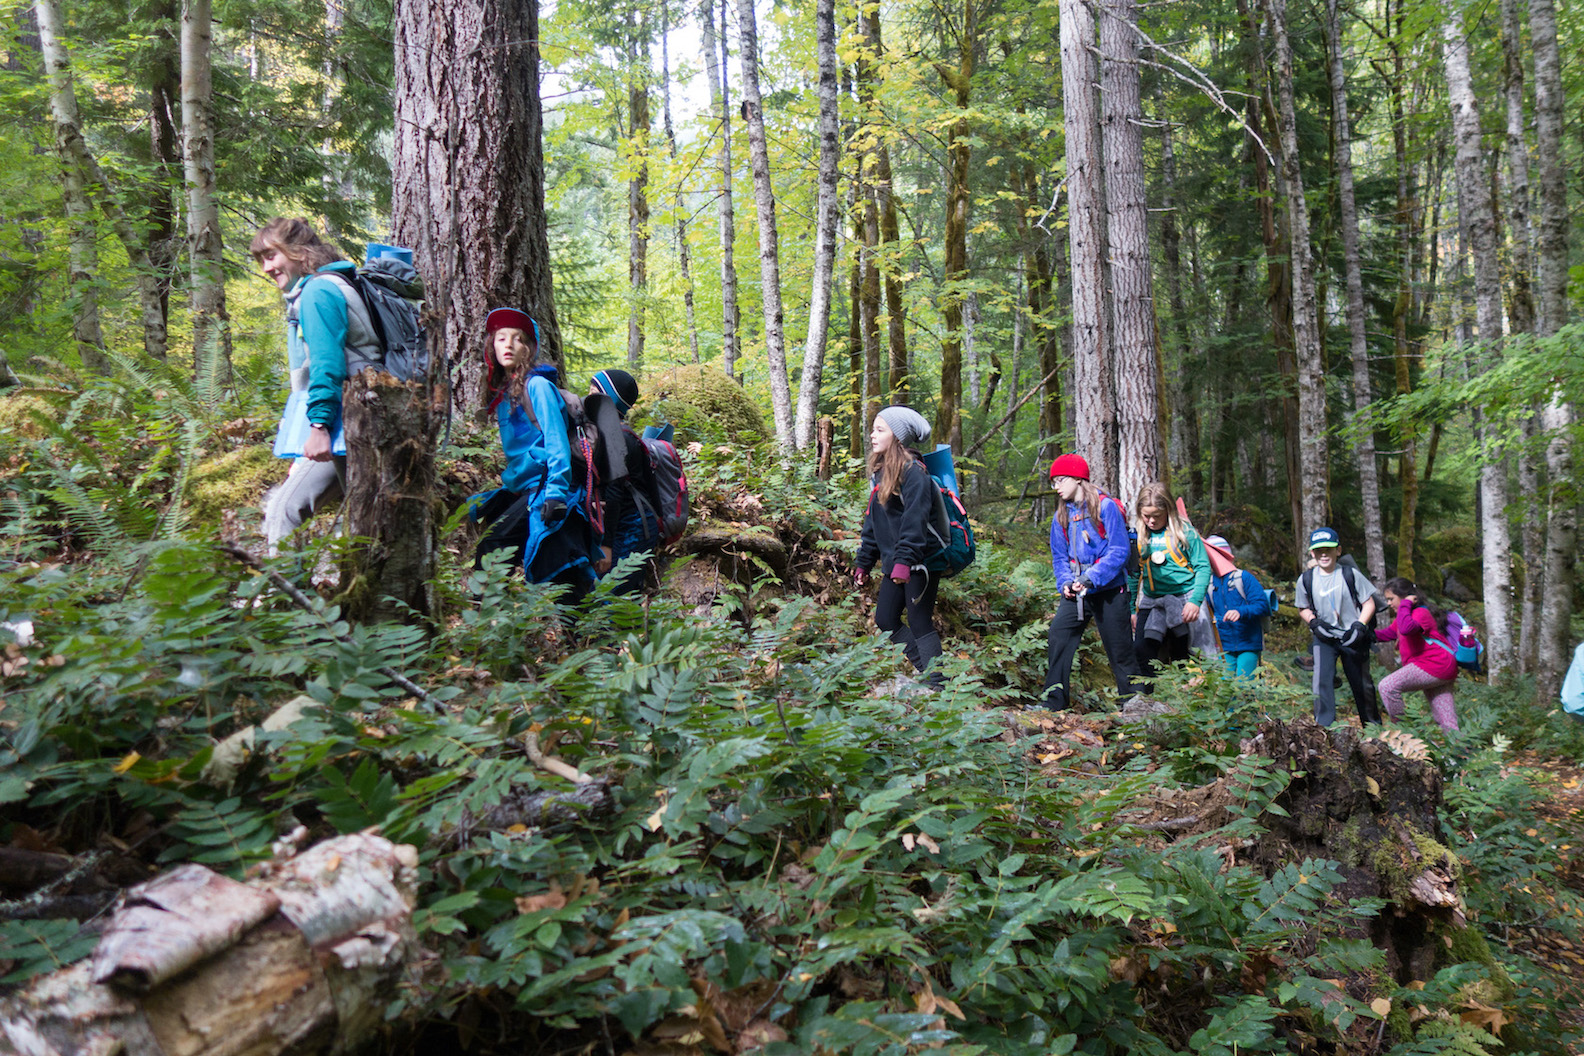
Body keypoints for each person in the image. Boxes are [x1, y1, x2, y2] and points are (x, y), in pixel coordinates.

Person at [251, 218, 373, 554]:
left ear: (297, 251)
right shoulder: (334, 284)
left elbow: (327, 364)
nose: (266, 267)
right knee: (364, 521)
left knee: (285, 510)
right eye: (261, 260)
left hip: (349, 424)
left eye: (271, 256)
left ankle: (282, 602)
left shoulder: (318, 292)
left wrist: (318, 426)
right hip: (364, 419)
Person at [471, 308, 596, 601]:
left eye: (518, 339)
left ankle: (483, 627)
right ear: (492, 345)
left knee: (495, 548)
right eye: (501, 338)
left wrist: (555, 493)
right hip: (524, 490)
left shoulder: (537, 386)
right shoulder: (504, 397)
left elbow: (556, 441)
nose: (508, 345)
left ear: (529, 348)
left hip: (548, 488)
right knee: (558, 568)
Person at [1039, 454, 1140, 710]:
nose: (1057, 487)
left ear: (1077, 478)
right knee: (1058, 638)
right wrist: (1064, 583)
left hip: (1109, 590)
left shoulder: (1106, 508)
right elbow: (1059, 558)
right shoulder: (1060, 516)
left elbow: (1118, 551)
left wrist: (1090, 578)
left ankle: (1136, 708)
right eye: (1054, 482)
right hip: (1076, 593)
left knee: (1121, 651)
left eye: (1060, 480)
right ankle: (1053, 704)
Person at [854, 407, 947, 683]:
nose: (873, 435)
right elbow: (874, 524)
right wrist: (864, 562)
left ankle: (936, 684)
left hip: (920, 562)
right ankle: (928, 673)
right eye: (873, 428)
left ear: (898, 437)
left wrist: (905, 562)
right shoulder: (881, 474)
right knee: (885, 620)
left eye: (880, 429)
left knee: (919, 621)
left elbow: (914, 522)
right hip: (897, 561)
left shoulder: (915, 474)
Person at [1295, 527, 1380, 727]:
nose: (1324, 554)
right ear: (1312, 553)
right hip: (1324, 637)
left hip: (1353, 637)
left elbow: (1369, 603)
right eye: (1319, 550)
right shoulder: (1306, 579)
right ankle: (1324, 729)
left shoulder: (1351, 574)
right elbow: (1302, 607)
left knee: (1362, 684)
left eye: (1329, 549)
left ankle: (1373, 729)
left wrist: (1360, 625)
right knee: (1321, 682)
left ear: (1338, 551)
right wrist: (1313, 622)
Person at [1131, 482, 1211, 686]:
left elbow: (1203, 567)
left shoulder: (1185, 532)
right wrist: (1132, 608)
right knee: (1142, 648)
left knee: (1188, 652)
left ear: (1168, 510)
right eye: (1145, 515)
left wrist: (1195, 601)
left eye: (1156, 516)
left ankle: (1192, 698)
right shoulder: (1139, 535)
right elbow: (1134, 573)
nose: (1150, 521)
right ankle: (1149, 699)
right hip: (1152, 598)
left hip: (1186, 597)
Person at [587, 368, 659, 594]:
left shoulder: (617, 438)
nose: (587, 398)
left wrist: (606, 546)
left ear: (608, 400)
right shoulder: (611, 433)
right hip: (629, 522)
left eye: (593, 392)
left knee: (611, 596)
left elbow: (616, 493)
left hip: (634, 525)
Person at [1374, 577, 1459, 731]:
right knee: (1446, 718)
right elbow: (1388, 634)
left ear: (1405, 596)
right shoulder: (1405, 615)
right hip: (1442, 666)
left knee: (1387, 687)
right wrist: (1363, 633)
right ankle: (1458, 751)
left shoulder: (1420, 613)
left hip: (1434, 665)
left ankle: (1403, 731)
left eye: (1391, 599)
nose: (1388, 603)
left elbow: (1407, 629)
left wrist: (1405, 604)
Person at [1204, 535, 1270, 680]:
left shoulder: (1243, 578)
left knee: (1243, 687)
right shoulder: (1208, 584)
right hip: (1223, 645)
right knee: (1224, 689)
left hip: (1248, 643)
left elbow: (1262, 605)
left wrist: (1240, 612)